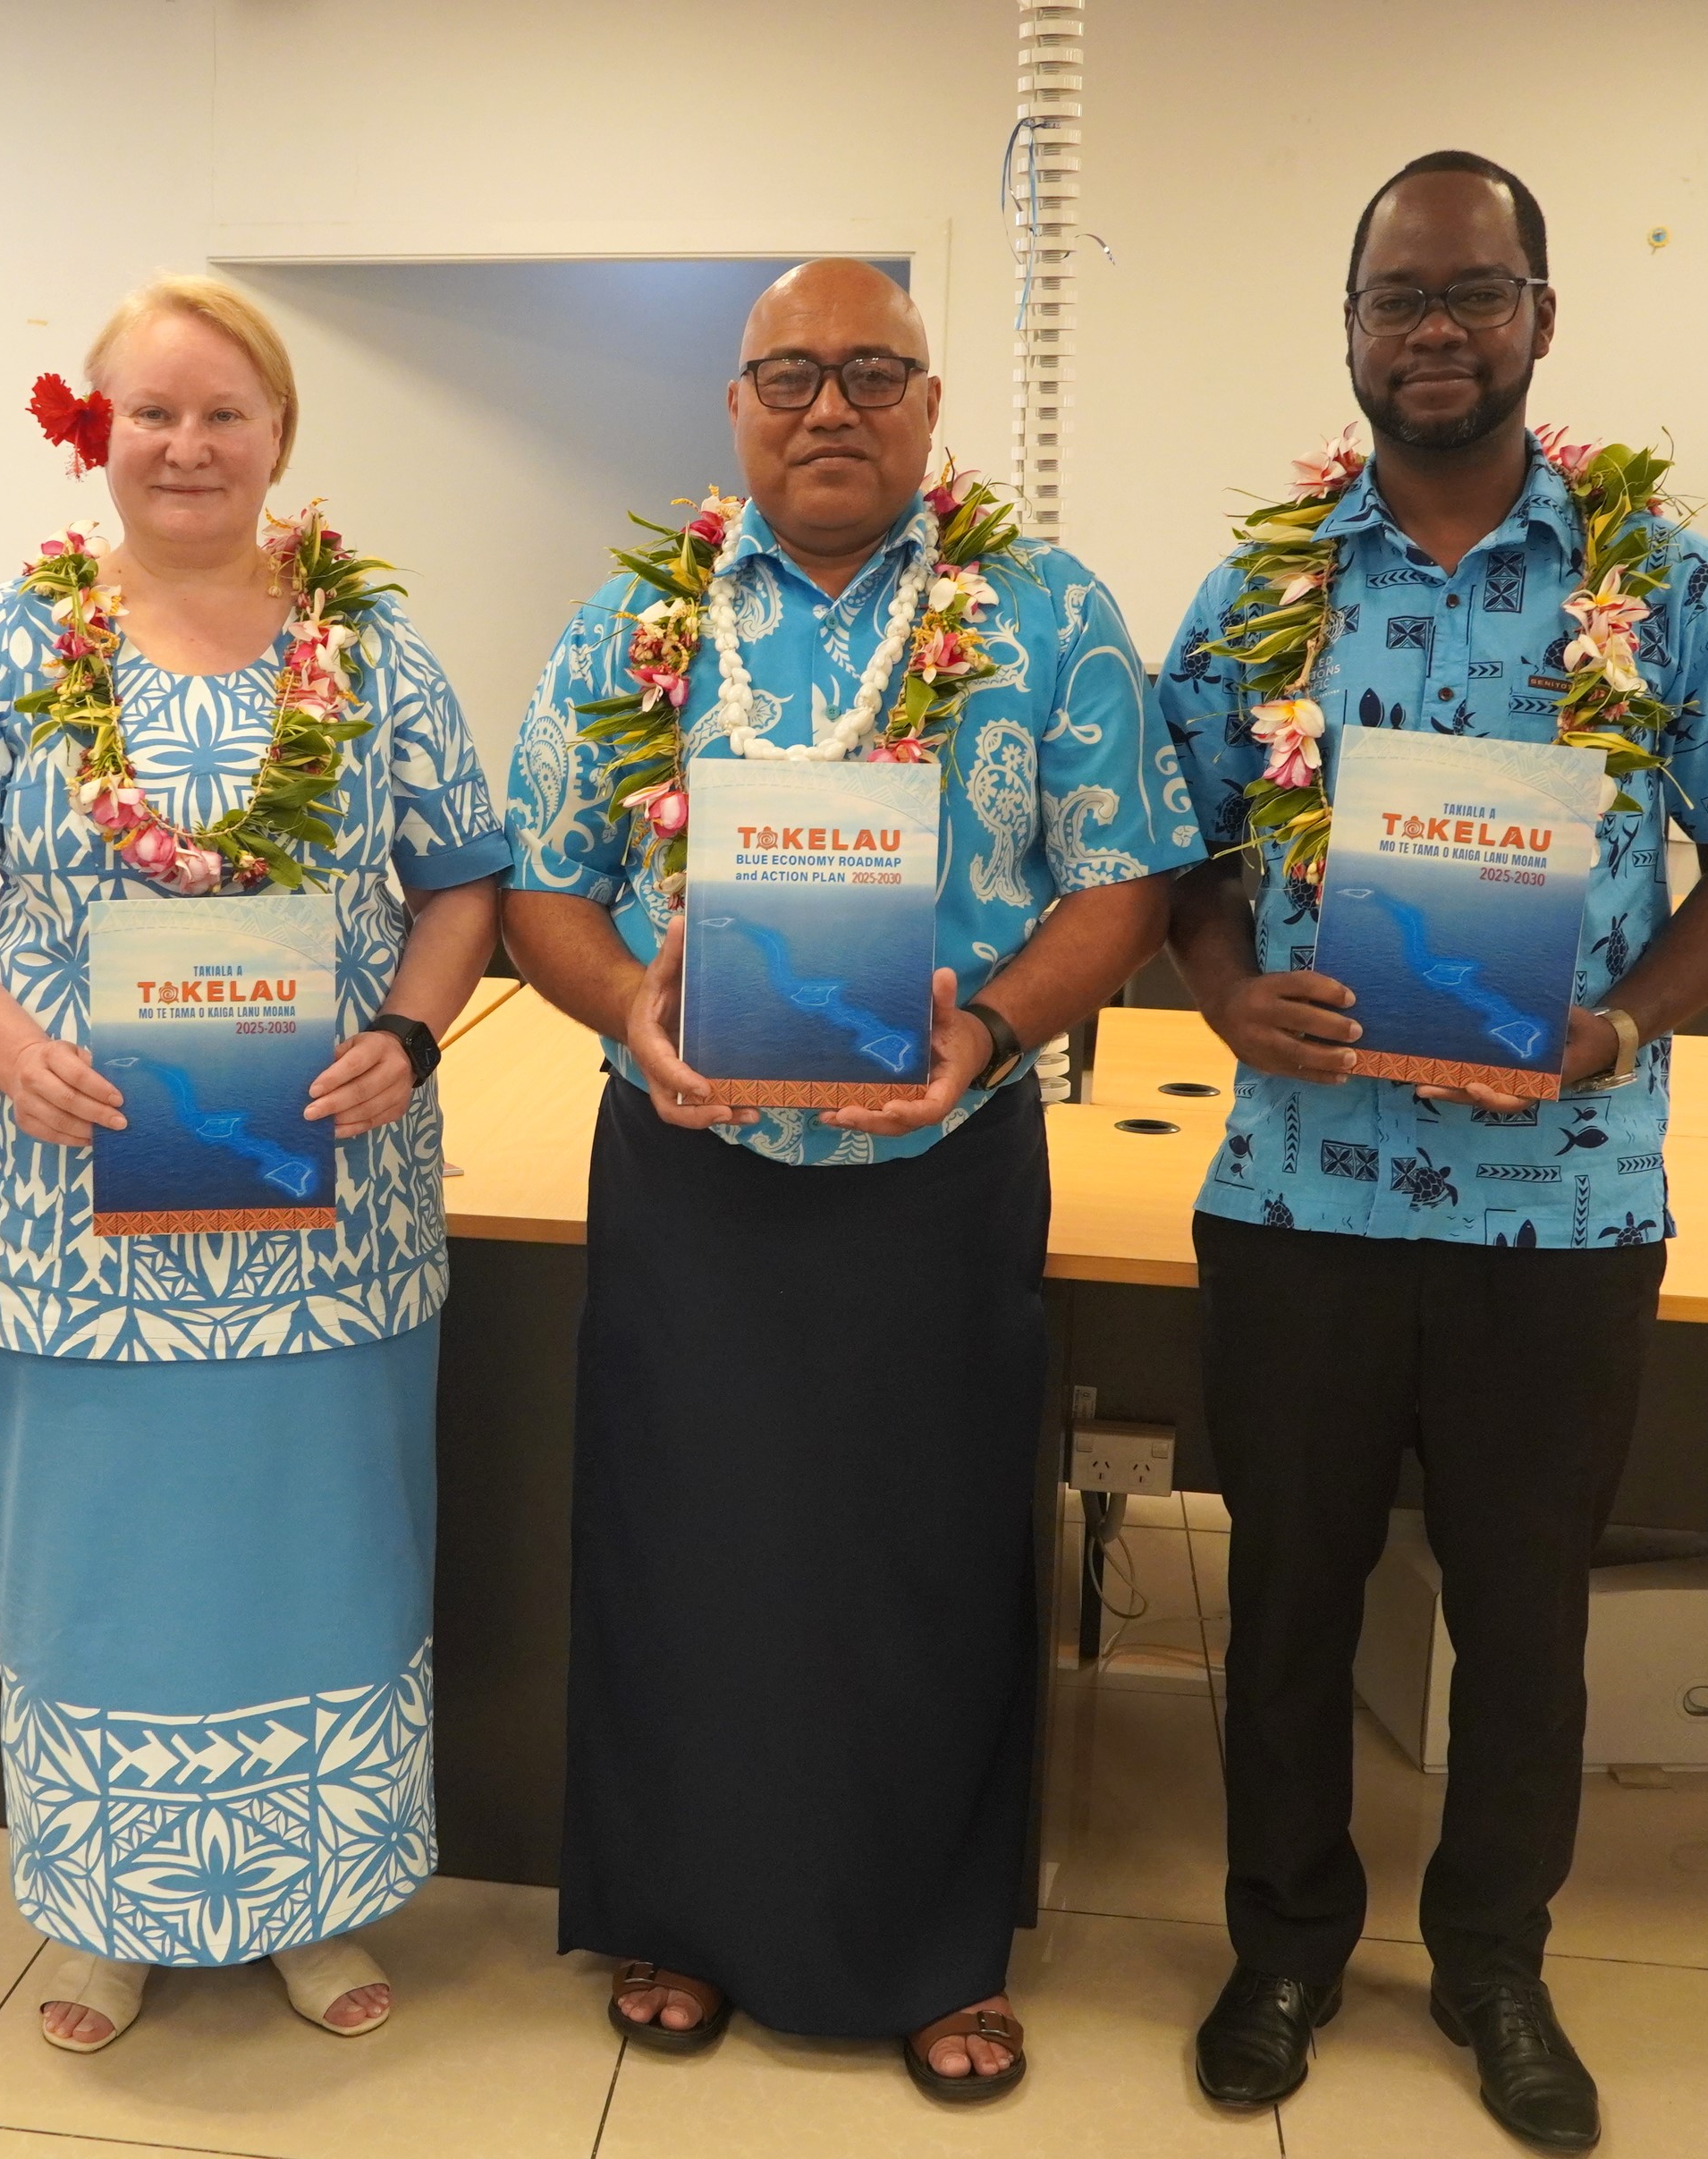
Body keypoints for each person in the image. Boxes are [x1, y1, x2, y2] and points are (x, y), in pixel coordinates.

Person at [1159, 152, 1708, 2153]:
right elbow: (1173, 866)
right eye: (1396, 299)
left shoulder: (1674, 585)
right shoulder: (1262, 586)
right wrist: (1222, 993)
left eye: (1471, 295)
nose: (1431, 332)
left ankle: (1494, 1963)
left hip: (1565, 1201)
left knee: (1527, 1615)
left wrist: (1616, 1021)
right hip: (1301, 1194)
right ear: (1349, 329)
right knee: (1284, 1597)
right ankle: (1284, 1945)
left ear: (1544, 316)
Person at [503, 258, 1195, 2098]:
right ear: (732, 406)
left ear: (931, 397)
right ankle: (682, 1912)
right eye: (790, 373)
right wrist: (623, 1004)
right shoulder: (628, 619)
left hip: (940, 1161)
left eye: (872, 370)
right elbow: (540, 886)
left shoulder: (1047, 614)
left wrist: (996, 1032)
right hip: (691, 1161)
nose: (831, 405)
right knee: (689, 1544)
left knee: (935, 1555)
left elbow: (1123, 879)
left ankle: (931, 1948)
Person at [0, 275, 505, 2054]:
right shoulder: (19, 645)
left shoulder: (371, 652)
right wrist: (8, 1048)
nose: (190, 446)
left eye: (226, 414)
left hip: (327, 1217)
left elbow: (464, 882)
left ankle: (320, 1899)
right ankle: (104, 1919)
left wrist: (419, 1031)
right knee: (102, 1565)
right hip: (75, 1216)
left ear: (282, 436)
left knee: (322, 1551)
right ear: (99, 433)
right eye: (154, 413)